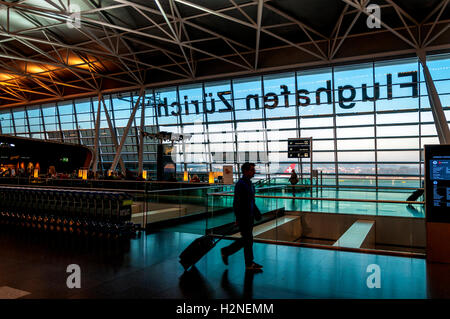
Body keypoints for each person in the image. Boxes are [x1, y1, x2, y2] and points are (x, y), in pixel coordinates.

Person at [220, 163, 263, 271]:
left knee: (247, 240)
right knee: (247, 240)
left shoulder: (249, 184)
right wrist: (238, 218)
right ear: (245, 171)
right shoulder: (241, 184)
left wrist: (256, 212)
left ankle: (247, 262)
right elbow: (237, 203)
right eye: (252, 170)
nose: (254, 172)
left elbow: (251, 201)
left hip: (249, 216)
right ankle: (229, 253)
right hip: (244, 217)